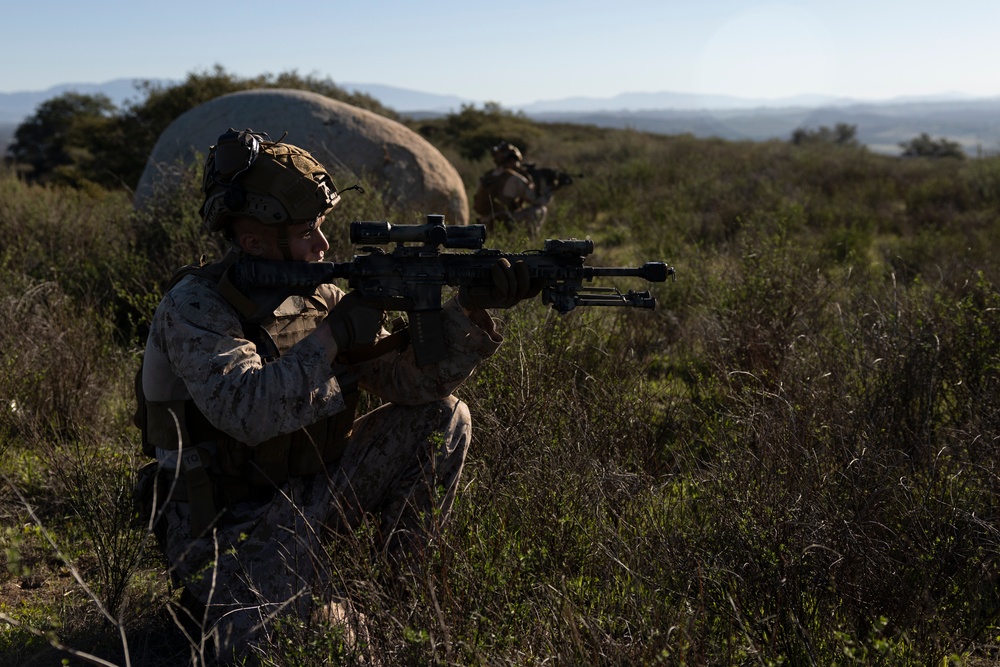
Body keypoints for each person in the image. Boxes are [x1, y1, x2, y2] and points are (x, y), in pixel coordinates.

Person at [135, 128, 537, 662]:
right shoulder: (197, 308)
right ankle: (225, 599)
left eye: (322, 228)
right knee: (309, 650)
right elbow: (245, 411)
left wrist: (465, 315)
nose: (324, 245)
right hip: (221, 525)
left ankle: (400, 595)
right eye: (308, 232)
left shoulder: (320, 294)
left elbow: (409, 385)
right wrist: (334, 336)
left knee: (443, 417)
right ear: (255, 241)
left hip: (307, 495)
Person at [472, 141, 552, 236]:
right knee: (540, 209)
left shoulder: (488, 175)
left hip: (485, 222)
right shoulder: (514, 178)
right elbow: (537, 200)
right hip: (502, 222)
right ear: (511, 160)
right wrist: (551, 187)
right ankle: (531, 241)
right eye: (515, 160)